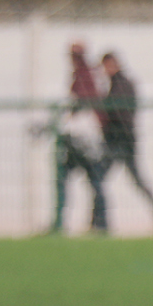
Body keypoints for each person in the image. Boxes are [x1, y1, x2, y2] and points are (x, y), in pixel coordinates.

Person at [98, 51, 153, 235]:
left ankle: (99, 223)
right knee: (99, 179)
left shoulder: (122, 85)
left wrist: (105, 112)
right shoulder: (115, 84)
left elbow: (121, 113)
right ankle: (97, 222)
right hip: (118, 141)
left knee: (101, 179)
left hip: (122, 141)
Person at [51, 40, 108, 234]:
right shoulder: (82, 74)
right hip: (79, 138)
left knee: (95, 181)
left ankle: (100, 224)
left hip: (85, 139)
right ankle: (60, 222)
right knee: (74, 179)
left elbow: (85, 102)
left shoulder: (85, 75)